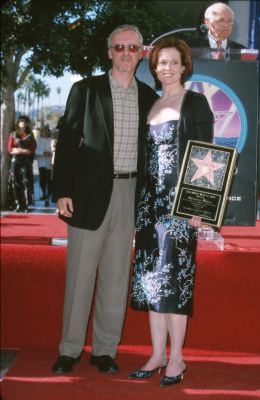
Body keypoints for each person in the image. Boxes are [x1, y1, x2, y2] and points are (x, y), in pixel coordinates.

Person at [51, 24, 157, 375]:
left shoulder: (149, 97)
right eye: (119, 47)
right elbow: (67, 141)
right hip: (87, 194)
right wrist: (62, 190)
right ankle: (69, 350)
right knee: (80, 276)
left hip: (130, 192)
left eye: (132, 48)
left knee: (115, 277)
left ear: (141, 54)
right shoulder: (86, 90)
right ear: (109, 51)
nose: (126, 53)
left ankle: (104, 351)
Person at [129, 37, 214, 387]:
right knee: (152, 282)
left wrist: (200, 208)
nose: (167, 67)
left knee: (176, 281)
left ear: (184, 66)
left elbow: (206, 157)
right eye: (161, 62)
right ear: (155, 67)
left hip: (180, 209)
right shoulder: (150, 103)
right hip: (150, 206)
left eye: (173, 62)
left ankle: (177, 357)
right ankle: (156, 354)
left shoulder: (196, 103)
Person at [8, 115, 36, 212]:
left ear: (27, 124)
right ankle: (18, 204)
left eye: (25, 121)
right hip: (15, 162)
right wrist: (23, 150)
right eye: (21, 121)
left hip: (26, 162)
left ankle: (26, 206)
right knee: (15, 182)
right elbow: (10, 149)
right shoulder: (13, 134)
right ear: (18, 123)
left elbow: (31, 150)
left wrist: (19, 150)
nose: (23, 123)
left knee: (26, 183)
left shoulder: (30, 135)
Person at [35, 126, 52, 206]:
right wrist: (43, 153)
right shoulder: (38, 140)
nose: (45, 132)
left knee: (49, 180)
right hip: (41, 162)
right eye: (43, 131)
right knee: (42, 179)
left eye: (46, 131)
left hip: (50, 163)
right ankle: (44, 193)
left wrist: (51, 154)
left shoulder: (51, 139)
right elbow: (35, 150)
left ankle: (48, 197)